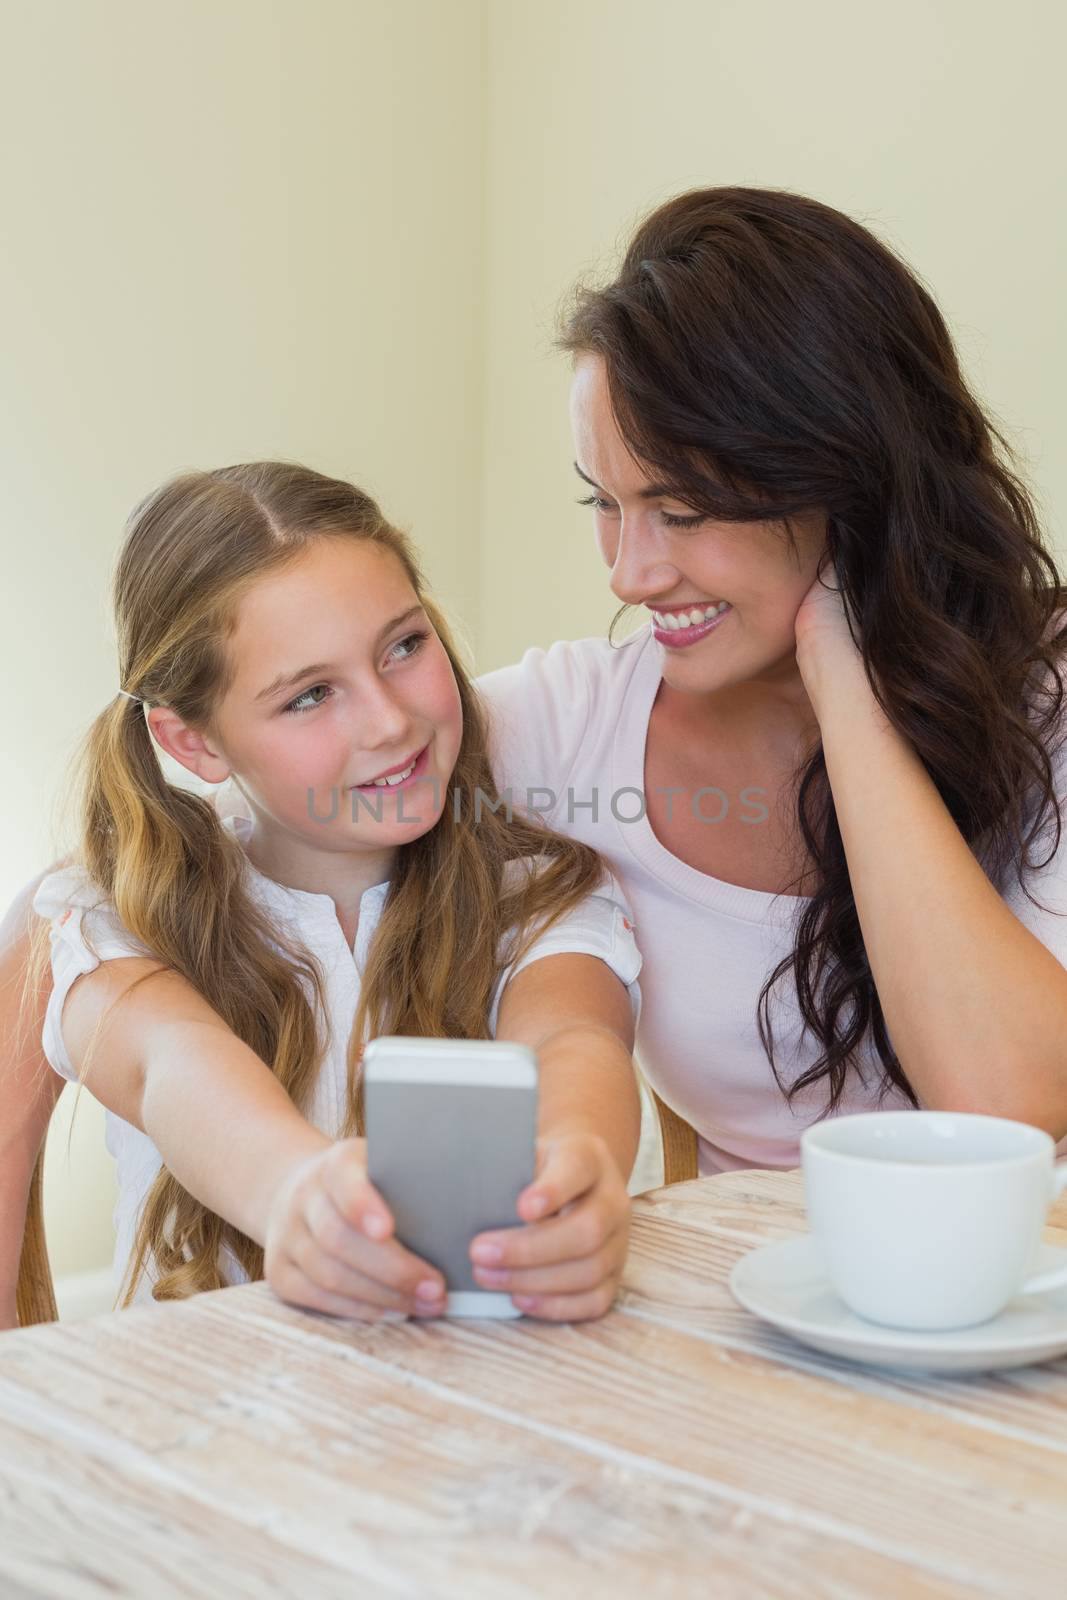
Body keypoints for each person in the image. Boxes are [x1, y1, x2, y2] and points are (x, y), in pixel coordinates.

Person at [6, 183, 1067, 1319]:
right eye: (603, 504)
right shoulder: (564, 728)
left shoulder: (1039, 700)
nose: (628, 572)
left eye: (683, 509)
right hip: (752, 1312)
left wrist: (841, 667)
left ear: (841, 473)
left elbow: (1002, 1108)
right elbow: (133, 902)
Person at [10, 461, 643, 1324]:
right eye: (309, 696)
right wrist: (294, 1194)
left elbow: (572, 1036)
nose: (389, 721)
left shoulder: (533, 892)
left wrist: (576, 1164)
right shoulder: (118, 917)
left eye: (404, 646)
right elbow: (172, 1064)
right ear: (193, 743)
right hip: (198, 1434)